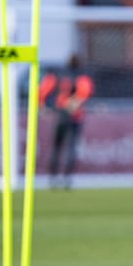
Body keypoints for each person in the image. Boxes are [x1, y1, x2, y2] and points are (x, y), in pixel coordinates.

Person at [38, 55, 93, 189]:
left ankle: (53, 178)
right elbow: (84, 92)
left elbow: (41, 91)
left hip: (60, 115)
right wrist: (72, 104)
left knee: (57, 147)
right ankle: (66, 179)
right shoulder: (80, 76)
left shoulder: (57, 75)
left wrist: (42, 106)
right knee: (70, 148)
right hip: (73, 116)